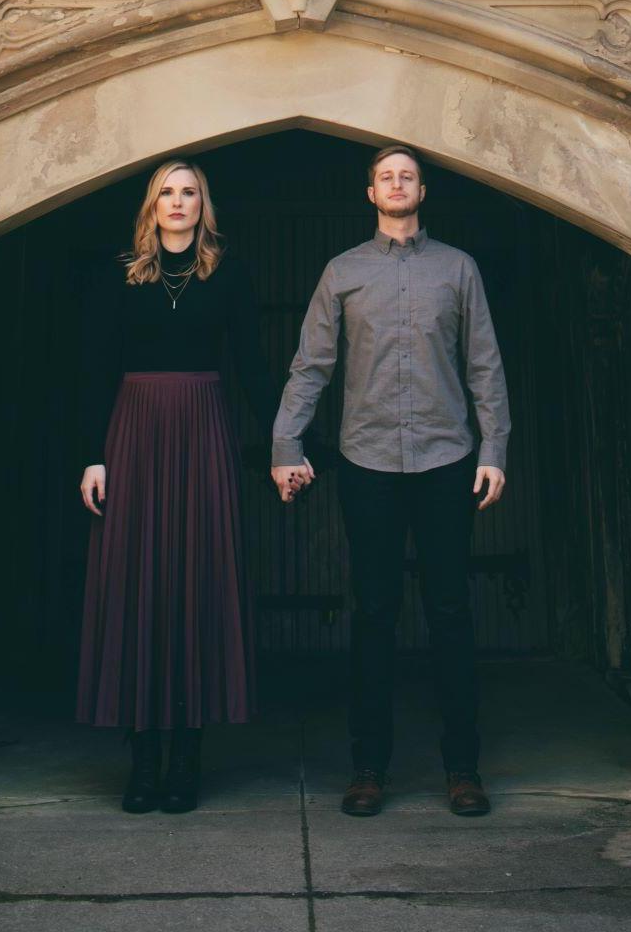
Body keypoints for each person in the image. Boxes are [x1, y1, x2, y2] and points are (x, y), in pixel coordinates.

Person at [270, 143, 511, 819]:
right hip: (368, 461)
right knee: (374, 614)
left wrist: (494, 448)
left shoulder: (457, 269)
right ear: (370, 193)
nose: (397, 184)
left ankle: (463, 768)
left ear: (422, 192)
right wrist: (286, 442)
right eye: (386, 177)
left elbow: (485, 364)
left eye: (408, 176)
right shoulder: (343, 272)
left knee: (450, 612)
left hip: (446, 459)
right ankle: (368, 767)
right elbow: (311, 365)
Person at [76, 159, 266, 814]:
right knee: (138, 584)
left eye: (189, 193)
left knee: (196, 583)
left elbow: (253, 366)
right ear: (151, 205)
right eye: (167, 192)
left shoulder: (229, 273)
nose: (178, 202)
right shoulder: (118, 274)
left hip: (203, 430)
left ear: (203, 205)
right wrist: (92, 456)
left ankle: (185, 758)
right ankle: (143, 760)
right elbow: (94, 366)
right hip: (133, 434)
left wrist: (288, 445)